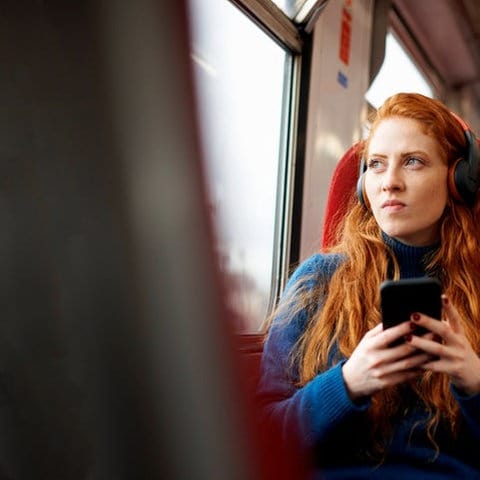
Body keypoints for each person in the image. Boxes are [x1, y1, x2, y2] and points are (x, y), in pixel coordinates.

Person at [257, 92, 480, 479]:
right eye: (377, 165)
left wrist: (474, 381)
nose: (390, 182)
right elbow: (263, 438)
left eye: (413, 162)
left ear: (458, 179)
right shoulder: (318, 281)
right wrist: (346, 383)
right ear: (362, 184)